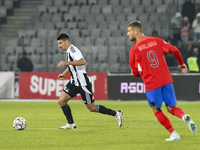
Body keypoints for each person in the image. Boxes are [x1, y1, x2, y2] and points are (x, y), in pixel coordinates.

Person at [127, 21, 197, 141]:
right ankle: (183, 115)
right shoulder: (156, 40)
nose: (127, 34)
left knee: (156, 109)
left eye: (129, 31)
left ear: (136, 31)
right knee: (171, 107)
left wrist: (143, 72)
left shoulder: (134, 50)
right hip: (166, 79)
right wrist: (181, 64)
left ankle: (174, 133)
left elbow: (134, 72)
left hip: (152, 83)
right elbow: (175, 50)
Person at [56, 33, 123, 129]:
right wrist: (64, 73)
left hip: (83, 84)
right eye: (58, 43)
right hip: (74, 82)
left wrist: (67, 62)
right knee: (61, 101)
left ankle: (116, 114)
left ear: (67, 42)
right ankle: (71, 124)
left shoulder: (73, 50)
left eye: (61, 43)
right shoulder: (67, 51)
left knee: (92, 108)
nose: (59, 46)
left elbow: (82, 61)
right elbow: (72, 66)